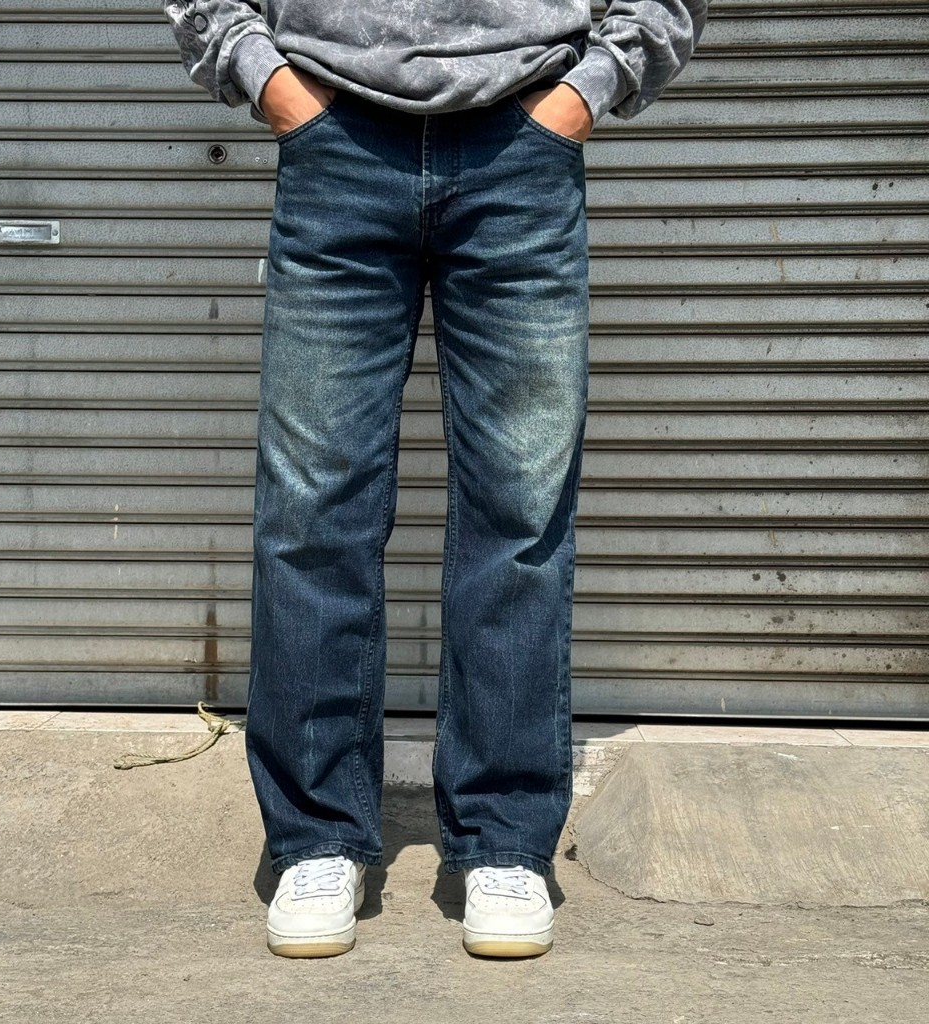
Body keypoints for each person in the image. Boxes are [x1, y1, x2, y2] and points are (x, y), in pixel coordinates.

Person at [165, 0, 707, 959]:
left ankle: (503, 840)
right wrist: (270, 82)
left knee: (521, 514)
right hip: (335, 141)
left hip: (523, 146)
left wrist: (585, 92)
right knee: (311, 512)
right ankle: (316, 837)